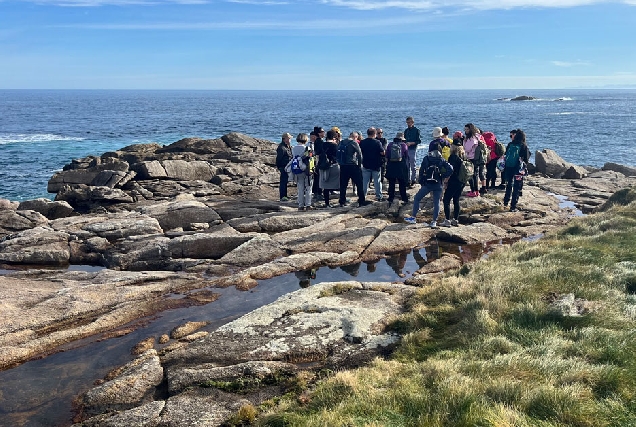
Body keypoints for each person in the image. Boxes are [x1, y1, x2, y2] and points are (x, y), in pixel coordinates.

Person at [404, 144, 453, 227]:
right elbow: (451, 169)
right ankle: (434, 222)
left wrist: (421, 181)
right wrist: (443, 176)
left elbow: (421, 170)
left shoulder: (427, 158)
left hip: (428, 183)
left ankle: (413, 217)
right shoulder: (441, 159)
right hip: (438, 183)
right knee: (436, 202)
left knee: (417, 198)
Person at [503, 129, 531, 212]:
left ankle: (505, 201)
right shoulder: (523, 146)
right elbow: (526, 158)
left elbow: (505, 154)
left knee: (509, 184)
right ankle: (513, 206)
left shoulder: (510, 144)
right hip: (518, 169)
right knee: (516, 187)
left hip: (508, 167)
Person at [439, 143, 467, 227]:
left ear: (453, 147)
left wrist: (446, 181)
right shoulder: (463, 156)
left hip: (454, 181)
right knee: (456, 200)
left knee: (446, 200)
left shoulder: (453, 157)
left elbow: (451, 170)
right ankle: (455, 219)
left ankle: (447, 220)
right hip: (462, 181)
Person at [338, 132, 368, 207]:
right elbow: (359, 154)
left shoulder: (342, 142)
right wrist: (360, 165)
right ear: (355, 137)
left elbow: (338, 153)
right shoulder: (354, 143)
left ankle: (342, 201)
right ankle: (361, 200)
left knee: (343, 185)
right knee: (359, 184)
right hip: (353, 165)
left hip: (343, 166)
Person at [290, 133, 314, 211]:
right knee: (308, 188)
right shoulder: (307, 148)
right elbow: (311, 157)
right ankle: (308, 204)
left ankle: (300, 205)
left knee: (300, 188)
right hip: (306, 169)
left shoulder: (293, 148)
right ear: (305, 139)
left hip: (297, 169)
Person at [385, 132, 410, 207]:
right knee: (402, 183)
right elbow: (406, 156)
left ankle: (390, 198)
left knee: (391, 183)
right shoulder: (404, 145)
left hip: (391, 165)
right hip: (400, 166)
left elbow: (387, 156)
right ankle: (404, 198)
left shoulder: (390, 145)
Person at [360, 127, 385, 201]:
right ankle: (379, 196)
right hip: (376, 164)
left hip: (366, 164)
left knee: (365, 182)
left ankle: (363, 196)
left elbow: (360, 152)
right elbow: (382, 152)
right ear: (374, 134)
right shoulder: (377, 142)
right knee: (377, 181)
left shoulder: (363, 142)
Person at [462, 123, 481, 197]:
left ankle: (473, 191)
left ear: (471, 129)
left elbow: (467, 148)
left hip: (471, 158)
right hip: (476, 158)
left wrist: (464, 141)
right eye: (465, 129)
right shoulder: (477, 137)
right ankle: (476, 191)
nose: (466, 131)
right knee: (475, 175)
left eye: (467, 129)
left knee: (470, 175)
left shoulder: (471, 139)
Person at [404, 116, 422, 186]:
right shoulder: (406, 131)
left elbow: (419, 141)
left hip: (412, 149)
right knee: (406, 165)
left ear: (413, 122)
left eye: (410, 122)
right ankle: (408, 180)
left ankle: (413, 179)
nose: (409, 124)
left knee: (413, 165)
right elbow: (404, 139)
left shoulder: (416, 130)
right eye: (407, 122)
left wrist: (411, 143)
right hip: (406, 149)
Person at [276, 132, 293, 202]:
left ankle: (285, 196)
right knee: (283, 182)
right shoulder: (281, 148)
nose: (290, 140)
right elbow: (279, 158)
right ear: (285, 139)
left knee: (285, 182)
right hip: (283, 167)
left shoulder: (287, 146)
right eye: (289, 138)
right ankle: (282, 197)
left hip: (287, 167)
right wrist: (279, 167)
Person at [312, 127, 325, 200]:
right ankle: (318, 193)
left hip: (317, 161)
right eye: (322, 131)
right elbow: (320, 152)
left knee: (318, 178)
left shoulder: (318, 141)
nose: (324, 133)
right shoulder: (319, 141)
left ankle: (317, 193)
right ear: (319, 133)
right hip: (319, 162)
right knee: (319, 178)